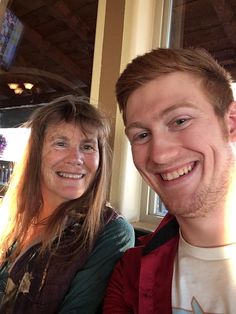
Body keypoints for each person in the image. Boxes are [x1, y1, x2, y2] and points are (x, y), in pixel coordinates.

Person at [103, 47, 236, 313]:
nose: (160, 155)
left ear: (230, 124)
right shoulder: (130, 273)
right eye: (141, 135)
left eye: (180, 121)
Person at [0, 95, 134, 313]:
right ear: (36, 155)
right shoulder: (14, 216)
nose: (76, 158)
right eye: (61, 144)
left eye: (88, 146)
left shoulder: (111, 231)